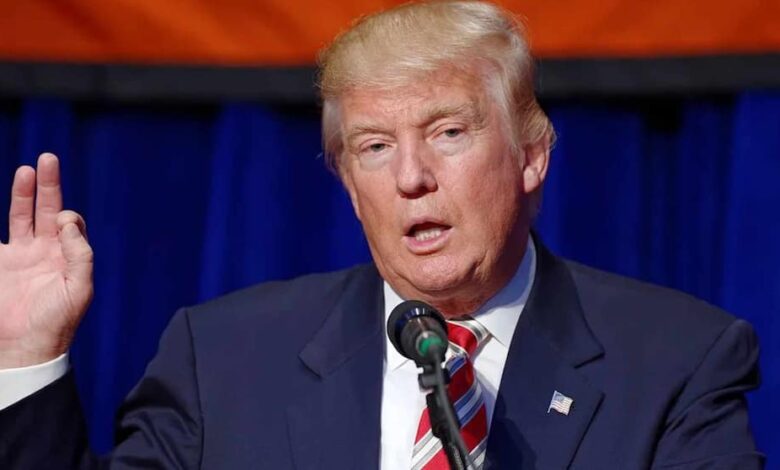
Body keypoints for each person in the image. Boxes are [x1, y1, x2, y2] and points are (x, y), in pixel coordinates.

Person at [0, 1, 763, 468]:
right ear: (347, 185)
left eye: (449, 133)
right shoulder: (223, 359)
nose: (410, 177)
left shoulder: (676, 362)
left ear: (532, 157)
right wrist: (28, 359)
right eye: (373, 147)